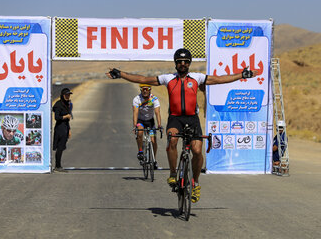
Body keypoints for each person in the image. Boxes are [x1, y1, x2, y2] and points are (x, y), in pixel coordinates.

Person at [107, 48, 258, 203]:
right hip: (175, 118)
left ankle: (196, 182)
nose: (183, 64)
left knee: (197, 151)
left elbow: (219, 79)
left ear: (189, 63)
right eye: (180, 62)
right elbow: (143, 78)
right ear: (176, 64)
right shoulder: (168, 78)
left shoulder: (197, 78)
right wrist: (121, 74)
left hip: (192, 119)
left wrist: (241, 75)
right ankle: (173, 174)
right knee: (172, 140)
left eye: (186, 62)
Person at [133, 84, 162, 169]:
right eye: (143, 89)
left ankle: (154, 160)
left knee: (153, 141)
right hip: (140, 120)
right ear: (141, 90)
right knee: (140, 131)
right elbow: (135, 112)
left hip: (150, 121)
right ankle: (141, 151)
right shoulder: (137, 99)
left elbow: (157, 113)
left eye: (146, 89)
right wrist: (135, 125)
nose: (145, 91)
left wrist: (159, 125)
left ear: (150, 90)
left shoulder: (154, 99)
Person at [53, 88, 73, 172]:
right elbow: (56, 117)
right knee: (59, 147)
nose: (68, 96)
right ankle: (57, 166)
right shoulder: (58, 104)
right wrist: (65, 116)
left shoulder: (67, 104)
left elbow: (68, 119)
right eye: (66, 95)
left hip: (65, 127)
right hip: (60, 128)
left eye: (69, 95)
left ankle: (58, 166)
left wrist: (69, 130)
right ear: (62, 95)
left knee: (62, 147)